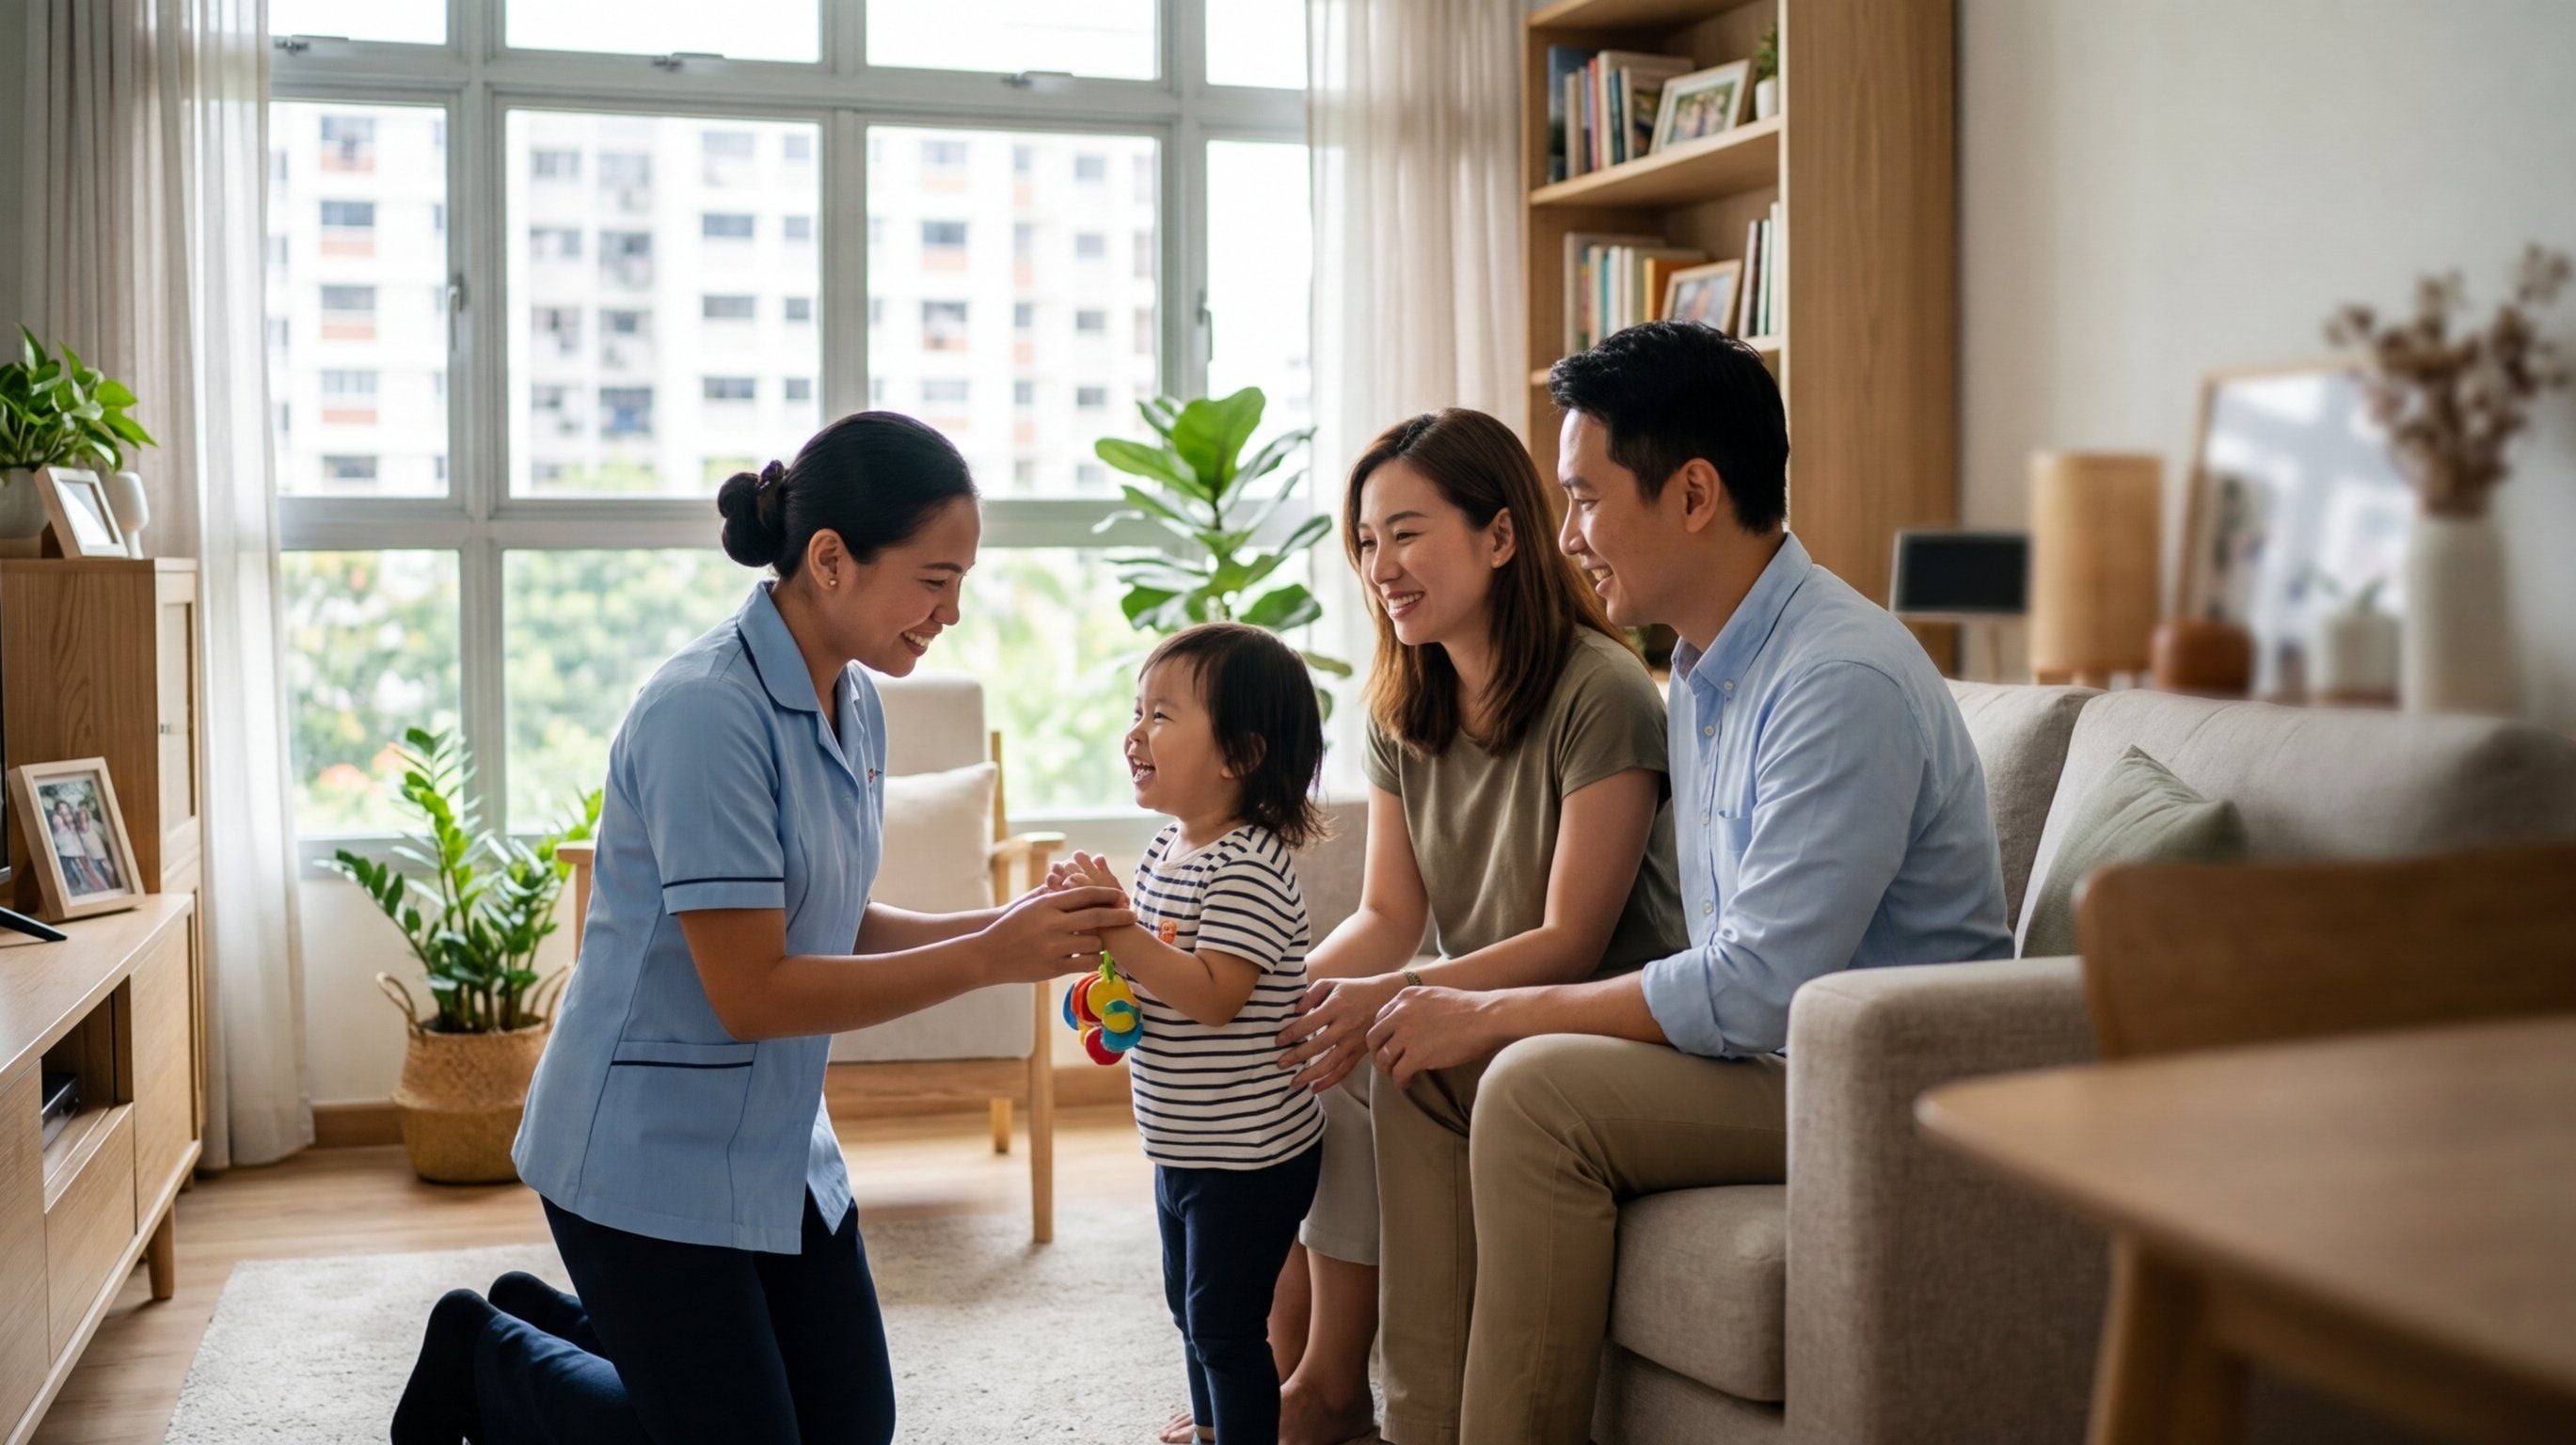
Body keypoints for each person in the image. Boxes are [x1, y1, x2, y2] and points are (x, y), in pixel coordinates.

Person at [389, 412, 1138, 1445]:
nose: (952, 611)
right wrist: (986, 958)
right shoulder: (703, 713)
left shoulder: (855, 702)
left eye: (962, 581)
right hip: (639, 1153)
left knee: (849, 1432)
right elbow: (755, 992)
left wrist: (1011, 923)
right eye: (934, 579)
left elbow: (832, 919)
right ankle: (487, 1356)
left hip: (775, 1144)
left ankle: (551, 1326)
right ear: (829, 560)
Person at [1361, 322, 2013, 1445]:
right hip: (1765, 1056)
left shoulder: (1835, 678)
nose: (1569, 537)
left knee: (1529, 1084)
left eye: (1583, 498)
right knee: (1420, 1061)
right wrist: (1452, 1012)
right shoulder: (1705, 673)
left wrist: (1499, 1010)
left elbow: (1761, 988)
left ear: (1695, 493)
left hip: (1864, 1076)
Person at [1243, 408, 1684, 1445]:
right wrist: (1278, 991)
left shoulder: (1602, 690)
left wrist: (1389, 997)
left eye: (1406, 532)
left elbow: (1573, 938)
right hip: (1467, 991)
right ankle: (1287, 1364)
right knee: (1285, 1051)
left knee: (1372, 1052)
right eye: (1364, 540)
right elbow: (1390, 915)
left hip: (1583, 1012)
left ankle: (1330, 1390)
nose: (1380, 565)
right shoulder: (1404, 702)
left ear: (1499, 536)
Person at [1050, 623, 1329, 1445]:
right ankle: (1215, 1424)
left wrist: (1123, 932)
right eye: (1137, 711)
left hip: (1251, 1154)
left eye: (1162, 716)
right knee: (1188, 1306)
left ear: (1239, 755)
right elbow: (1145, 973)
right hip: (1183, 1139)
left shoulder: (1249, 864)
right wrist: (1103, 944)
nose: (1134, 733)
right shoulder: (1169, 848)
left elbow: (1215, 996)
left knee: (1226, 1324)